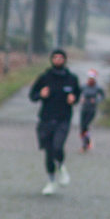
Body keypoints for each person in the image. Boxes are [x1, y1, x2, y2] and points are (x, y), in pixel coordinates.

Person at [28, 49, 80, 195]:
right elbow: (32, 95)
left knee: (58, 146)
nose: (58, 60)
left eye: (60, 57)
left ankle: (62, 167)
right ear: (51, 60)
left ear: (65, 60)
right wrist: (41, 94)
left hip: (63, 119)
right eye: (55, 57)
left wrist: (73, 99)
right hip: (45, 119)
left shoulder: (71, 78)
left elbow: (77, 93)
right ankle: (51, 181)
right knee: (48, 152)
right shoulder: (45, 77)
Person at [78, 69, 105, 152]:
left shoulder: (98, 88)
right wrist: (81, 98)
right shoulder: (84, 86)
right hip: (84, 108)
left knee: (85, 126)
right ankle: (87, 142)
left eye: (92, 79)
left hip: (92, 109)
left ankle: (85, 145)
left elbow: (103, 96)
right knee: (82, 128)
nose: (90, 81)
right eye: (89, 79)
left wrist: (96, 100)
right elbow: (77, 93)